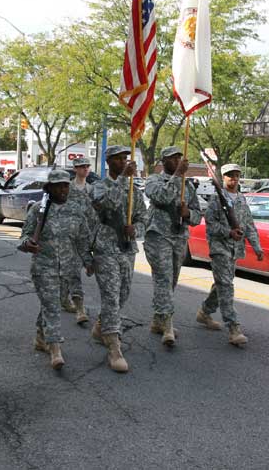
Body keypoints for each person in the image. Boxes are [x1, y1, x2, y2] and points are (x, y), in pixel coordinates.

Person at [19, 169, 94, 370]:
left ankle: (40, 337)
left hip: (67, 269)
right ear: (49, 188)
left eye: (65, 185)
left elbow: (83, 240)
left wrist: (88, 261)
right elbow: (24, 237)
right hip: (43, 267)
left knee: (50, 304)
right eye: (58, 185)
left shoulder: (76, 210)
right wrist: (28, 244)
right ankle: (55, 348)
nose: (63, 189)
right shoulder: (37, 210)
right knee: (52, 305)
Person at [89, 145, 146, 373]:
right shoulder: (99, 187)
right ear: (109, 162)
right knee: (112, 296)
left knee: (123, 293)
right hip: (105, 248)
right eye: (119, 159)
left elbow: (143, 217)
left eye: (125, 158)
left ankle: (101, 326)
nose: (124, 162)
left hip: (126, 249)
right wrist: (123, 179)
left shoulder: (134, 190)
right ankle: (114, 346)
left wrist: (137, 229)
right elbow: (107, 205)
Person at [198, 164, 264, 346]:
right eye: (229, 176)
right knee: (226, 285)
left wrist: (257, 247)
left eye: (236, 176)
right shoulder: (216, 200)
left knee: (222, 283)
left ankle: (204, 312)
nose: (233, 179)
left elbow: (249, 225)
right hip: (220, 248)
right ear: (223, 178)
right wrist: (228, 232)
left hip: (235, 249)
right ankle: (233, 327)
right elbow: (210, 226)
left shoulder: (242, 199)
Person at [143, 146, 202, 347]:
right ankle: (168, 324)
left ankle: (158, 320)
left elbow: (197, 216)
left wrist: (187, 215)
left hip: (178, 237)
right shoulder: (153, 180)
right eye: (172, 158)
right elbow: (162, 197)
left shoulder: (189, 186)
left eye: (179, 158)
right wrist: (178, 176)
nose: (177, 161)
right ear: (163, 162)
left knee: (171, 282)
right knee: (163, 278)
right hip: (158, 236)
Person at [60, 157, 96, 323]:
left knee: (71, 270)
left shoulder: (92, 189)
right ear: (75, 169)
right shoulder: (68, 188)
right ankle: (80, 310)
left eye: (87, 166)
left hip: (88, 235)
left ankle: (64, 299)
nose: (85, 169)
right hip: (70, 235)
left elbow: (95, 214)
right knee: (73, 271)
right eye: (82, 167)